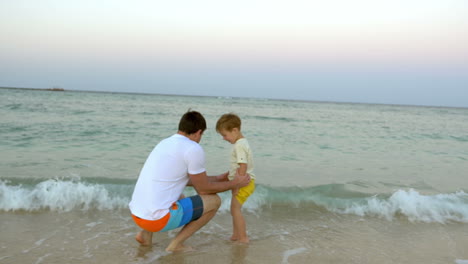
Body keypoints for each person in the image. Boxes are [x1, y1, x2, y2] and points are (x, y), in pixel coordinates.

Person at [129, 111, 250, 252]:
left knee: (172, 192)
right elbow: (203, 189)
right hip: (156, 220)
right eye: (202, 135)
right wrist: (236, 183)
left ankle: (144, 234)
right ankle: (176, 244)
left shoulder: (164, 143)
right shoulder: (193, 148)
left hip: (137, 214)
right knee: (214, 201)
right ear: (198, 132)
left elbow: (177, 180)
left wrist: (218, 178)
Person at [215, 113, 256, 243]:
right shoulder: (243, 143)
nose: (224, 138)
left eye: (225, 135)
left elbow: (242, 165)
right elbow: (238, 166)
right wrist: (230, 176)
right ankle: (236, 235)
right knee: (234, 209)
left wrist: (236, 185)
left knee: (235, 209)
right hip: (244, 181)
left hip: (243, 183)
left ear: (235, 130)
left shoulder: (239, 145)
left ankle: (243, 237)